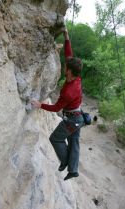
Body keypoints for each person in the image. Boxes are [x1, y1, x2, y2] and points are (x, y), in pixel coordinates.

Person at [31, 28, 84, 181]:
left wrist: (40, 104)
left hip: (73, 119)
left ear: (70, 72)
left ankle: (66, 161)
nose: (64, 67)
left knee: (56, 138)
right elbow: (69, 55)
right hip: (77, 116)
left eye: (66, 67)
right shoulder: (76, 77)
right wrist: (66, 36)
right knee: (74, 142)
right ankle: (73, 170)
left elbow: (56, 108)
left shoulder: (69, 91)